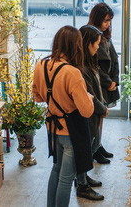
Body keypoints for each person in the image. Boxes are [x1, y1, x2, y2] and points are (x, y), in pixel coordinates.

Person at [32, 25, 95, 207]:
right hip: (70, 131)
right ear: (75, 46)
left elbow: (37, 96)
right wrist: (88, 97)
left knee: (56, 171)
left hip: (52, 128)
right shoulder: (72, 72)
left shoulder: (41, 65)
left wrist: (55, 99)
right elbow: (87, 111)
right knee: (66, 179)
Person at [74, 25, 109, 200]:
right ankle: (82, 185)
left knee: (91, 146)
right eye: (96, 43)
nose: (98, 47)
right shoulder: (81, 68)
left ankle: (82, 178)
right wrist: (102, 109)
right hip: (88, 115)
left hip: (93, 115)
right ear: (87, 43)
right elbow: (90, 96)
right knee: (84, 150)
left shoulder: (89, 63)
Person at [88, 3, 119, 163]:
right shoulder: (91, 36)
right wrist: (108, 82)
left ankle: (98, 145)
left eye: (110, 21)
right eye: (105, 20)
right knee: (97, 115)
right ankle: (95, 147)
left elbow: (114, 59)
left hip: (107, 82)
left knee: (101, 115)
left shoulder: (105, 36)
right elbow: (95, 65)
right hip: (98, 83)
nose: (107, 24)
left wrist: (115, 79)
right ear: (98, 19)